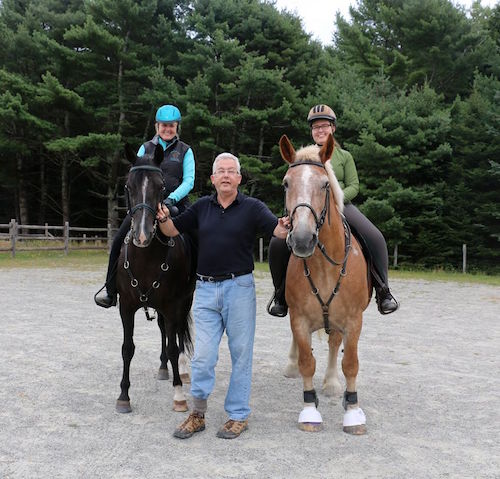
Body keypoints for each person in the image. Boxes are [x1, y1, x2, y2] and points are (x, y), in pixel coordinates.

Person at [156, 152, 289, 439]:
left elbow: (277, 230)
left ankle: (238, 415)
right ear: (213, 179)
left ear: (239, 178)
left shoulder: (253, 207)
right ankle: (198, 413)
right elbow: (172, 230)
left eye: (232, 171)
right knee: (202, 356)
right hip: (204, 291)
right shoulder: (202, 207)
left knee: (241, 354)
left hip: (238, 289)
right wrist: (164, 218)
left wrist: (290, 222)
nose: (226, 175)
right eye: (221, 171)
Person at [268, 104, 399, 317]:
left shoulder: (344, 156)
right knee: (276, 243)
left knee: (374, 236)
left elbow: (354, 185)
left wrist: (337, 200)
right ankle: (280, 295)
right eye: (315, 127)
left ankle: (383, 291)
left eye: (324, 126)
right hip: (309, 209)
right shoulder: (304, 156)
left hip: (341, 206)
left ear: (333, 128)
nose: (320, 130)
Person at [95, 104, 195, 308]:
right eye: (163, 125)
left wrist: (170, 200)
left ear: (177, 127)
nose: (167, 129)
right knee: (118, 241)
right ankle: (111, 289)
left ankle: (194, 283)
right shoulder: (145, 148)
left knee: (195, 237)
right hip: (145, 205)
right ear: (157, 126)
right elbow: (135, 176)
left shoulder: (185, 150)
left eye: (171, 125)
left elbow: (189, 181)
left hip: (174, 205)